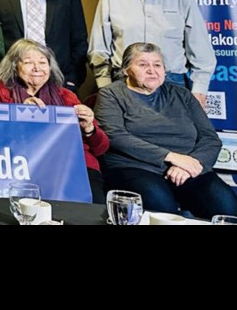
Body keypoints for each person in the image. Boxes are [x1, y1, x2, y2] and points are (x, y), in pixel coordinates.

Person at [95, 42, 237, 217]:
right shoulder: (111, 94)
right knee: (160, 206)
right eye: (142, 64)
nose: (151, 70)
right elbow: (114, 135)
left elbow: (210, 138)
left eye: (157, 65)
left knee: (226, 205)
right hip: (136, 167)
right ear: (126, 69)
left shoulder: (182, 94)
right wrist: (171, 157)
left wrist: (191, 164)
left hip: (187, 167)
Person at [0, 39, 110, 204]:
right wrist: (19, 115)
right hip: (20, 166)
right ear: (14, 67)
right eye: (28, 62)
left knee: (93, 206)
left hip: (71, 164)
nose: (37, 68)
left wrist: (89, 128)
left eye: (42, 62)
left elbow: (101, 148)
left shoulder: (66, 96)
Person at [89, 0, 216, 109]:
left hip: (172, 82)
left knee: (175, 134)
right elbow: (98, 50)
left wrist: (199, 90)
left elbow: (201, 51)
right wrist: (105, 87)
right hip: (125, 82)